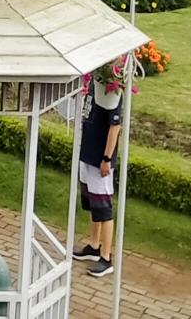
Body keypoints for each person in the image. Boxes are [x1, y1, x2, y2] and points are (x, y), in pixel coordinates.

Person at [73, 82, 125, 278]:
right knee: (92, 204)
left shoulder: (114, 91)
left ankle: (106, 256)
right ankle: (94, 246)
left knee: (103, 208)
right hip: (87, 153)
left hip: (99, 160)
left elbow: (115, 126)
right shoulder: (95, 84)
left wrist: (106, 158)